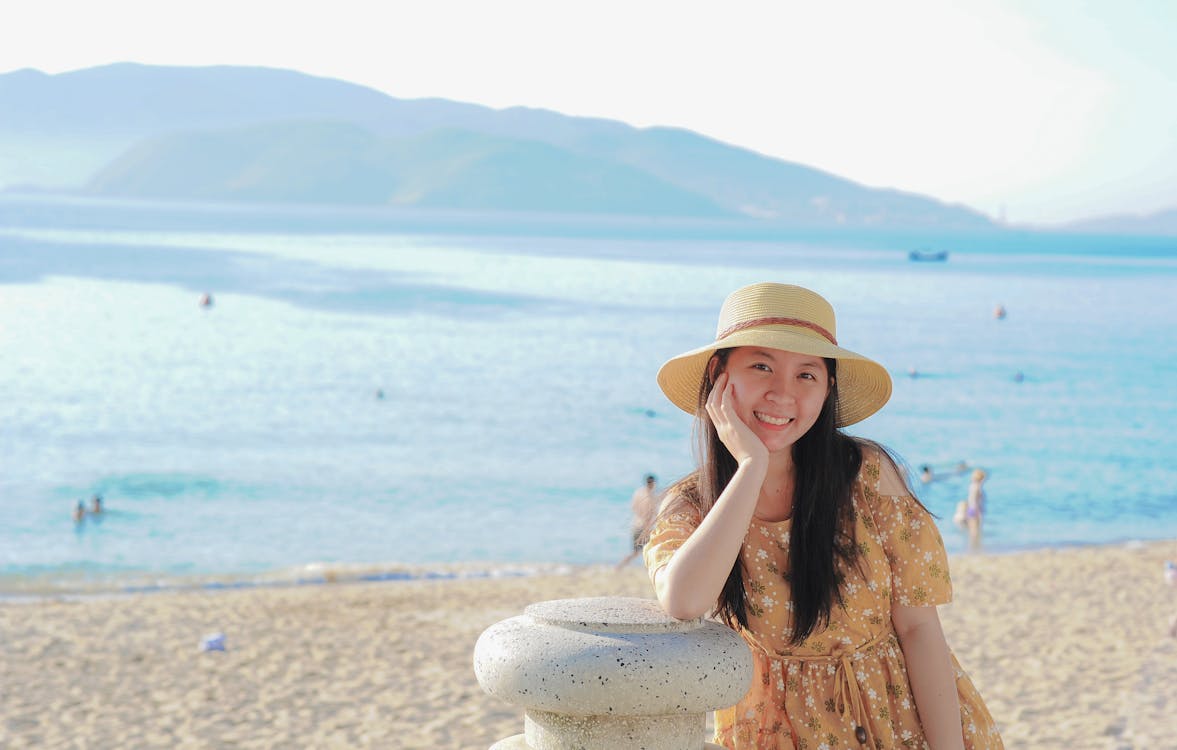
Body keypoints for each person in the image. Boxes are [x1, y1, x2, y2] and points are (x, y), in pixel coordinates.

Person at [644, 282, 1002, 749]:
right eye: (761, 366)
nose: (782, 393)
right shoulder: (693, 504)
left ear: (828, 386)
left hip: (900, 722)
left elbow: (918, 628)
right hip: (778, 733)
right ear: (718, 375)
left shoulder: (866, 475)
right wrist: (750, 467)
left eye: (806, 375)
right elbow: (684, 600)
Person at [615, 474, 660, 570]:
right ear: (653, 484)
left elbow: (634, 508)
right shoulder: (651, 497)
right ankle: (651, 569)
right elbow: (650, 514)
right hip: (645, 528)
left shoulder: (638, 493)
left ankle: (620, 566)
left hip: (635, 525)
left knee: (636, 552)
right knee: (652, 549)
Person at [954, 469, 987, 552]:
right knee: (974, 531)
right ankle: (974, 548)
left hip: (972, 509)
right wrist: (976, 511)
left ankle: (973, 547)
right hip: (974, 510)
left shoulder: (973, 485)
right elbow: (973, 500)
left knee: (973, 531)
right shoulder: (976, 486)